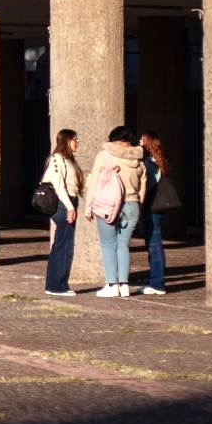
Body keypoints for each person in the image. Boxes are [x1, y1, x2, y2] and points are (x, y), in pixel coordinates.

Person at [84, 125, 148, 299]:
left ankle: (112, 284)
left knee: (108, 245)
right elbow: (143, 186)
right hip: (132, 204)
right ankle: (124, 285)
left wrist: (88, 206)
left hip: (108, 205)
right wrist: (137, 204)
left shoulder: (104, 156)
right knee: (123, 245)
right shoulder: (139, 159)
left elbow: (94, 183)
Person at [41, 129, 84, 297]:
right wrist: (70, 207)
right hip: (63, 204)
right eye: (74, 139)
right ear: (66, 141)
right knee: (64, 246)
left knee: (62, 244)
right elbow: (59, 185)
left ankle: (55, 284)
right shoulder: (57, 158)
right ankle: (57, 285)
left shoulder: (69, 160)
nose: (77, 142)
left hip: (70, 201)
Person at [137, 129, 172, 296]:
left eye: (142, 140)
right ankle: (156, 281)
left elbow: (146, 187)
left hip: (151, 208)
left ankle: (157, 283)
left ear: (148, 143)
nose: (139, 142)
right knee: (155, 244)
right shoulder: (159, 161)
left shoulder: (149, 164)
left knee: (153, 244)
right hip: (157, 208)